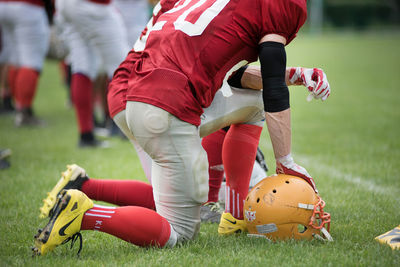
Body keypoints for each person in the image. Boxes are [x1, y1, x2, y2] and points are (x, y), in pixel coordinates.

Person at [33, 0, 331, 255]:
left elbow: (230, 76)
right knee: (178, 231)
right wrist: (286, 162)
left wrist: (295, 74)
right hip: (164, 103)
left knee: (249, 106)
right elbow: (273, 86)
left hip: (129, 90)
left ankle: (233, 215)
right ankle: (85, 213)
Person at [54, 0, 130, 147]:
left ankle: (86, 135)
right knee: (122, 65)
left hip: (65, 5)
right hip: (92, 5)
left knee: (82, 66)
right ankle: (125, 127)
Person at [0, 0, 50, 126]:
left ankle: (16, 105)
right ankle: (23, 112)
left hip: (4, 6)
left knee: (15, 60)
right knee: (30, 62)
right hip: (28, 7)